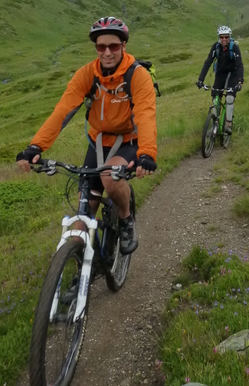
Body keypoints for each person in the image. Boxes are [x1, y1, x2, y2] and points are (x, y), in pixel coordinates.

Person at [16, 16, 157, 255]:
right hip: (98, 143)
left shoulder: (137, 75)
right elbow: (63, 111)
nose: (107, 52)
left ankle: (125, 220)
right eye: (101, 47)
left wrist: (147, 154)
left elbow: (145, 115)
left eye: (113, 46)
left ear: (124, 46)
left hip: (129, 142)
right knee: (83, 214)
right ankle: (80, 271)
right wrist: (36, 147)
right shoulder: (87, 75)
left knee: (110, 178)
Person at [196, 25, 244, 133]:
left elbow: (240, 65)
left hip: (233, 73)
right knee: (215, 97)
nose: (224, 39)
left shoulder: (234, 47)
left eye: (226, 37)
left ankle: (228, 124)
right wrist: (200, 80)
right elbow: (208, 63)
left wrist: (240, 81)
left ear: (229, 37)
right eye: (222, 37)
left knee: (230, 98)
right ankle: (214, 123)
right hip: (220, 73)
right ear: (219, 37)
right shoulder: (216, 47)